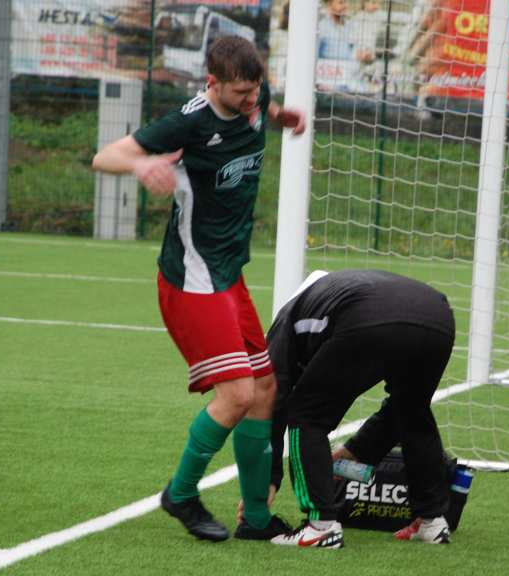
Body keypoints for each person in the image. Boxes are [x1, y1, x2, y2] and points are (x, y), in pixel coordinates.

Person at [91, 35, 305, 543]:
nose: (250, 100)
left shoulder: (254, 95)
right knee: (236, 394)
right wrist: (142, 163)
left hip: (229, 276)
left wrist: (278, 115)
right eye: (239, 94)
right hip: (191, 280)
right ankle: (181, 494)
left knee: (266, 390)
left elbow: (263, 104)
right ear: (212, 84)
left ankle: (255, 519)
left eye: (255, 91)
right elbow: (105, 156)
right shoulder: (188, 123)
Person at [264, 269, 456, 548]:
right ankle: (431, 521)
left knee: (306, 415)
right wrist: (357, 452)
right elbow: (396, 415)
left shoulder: (286, 319)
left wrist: (266, 479)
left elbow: (272, 396)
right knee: (411, 410)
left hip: (370, 317)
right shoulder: (339, 289)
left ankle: (321, 526)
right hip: (439, 318)